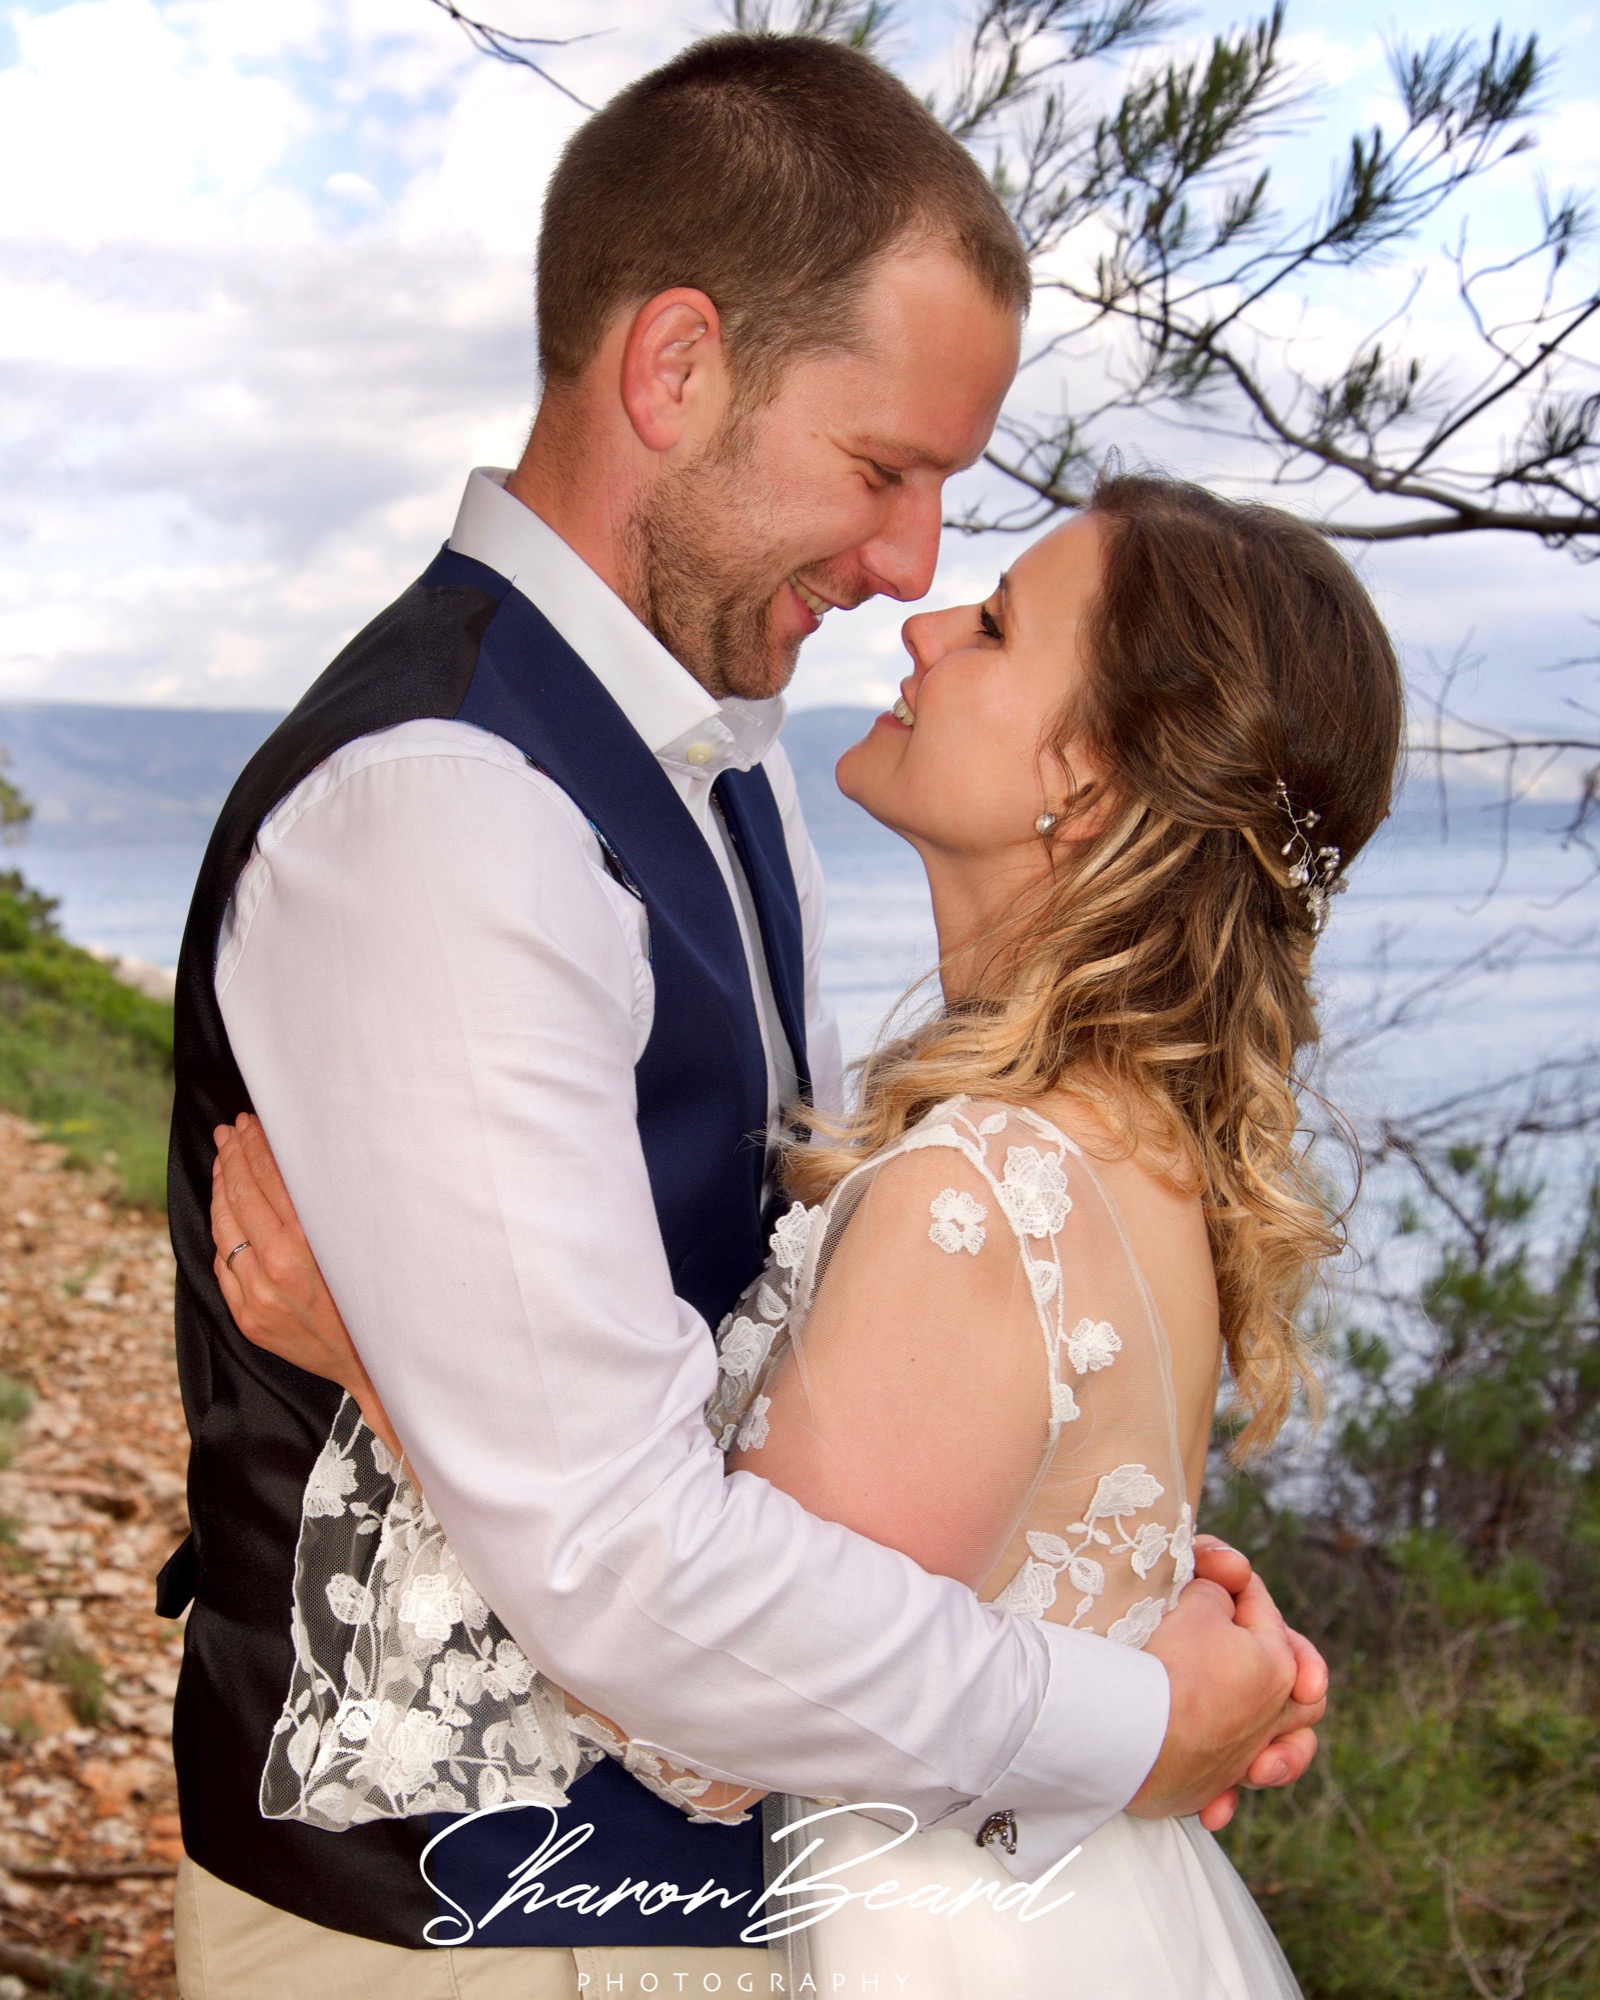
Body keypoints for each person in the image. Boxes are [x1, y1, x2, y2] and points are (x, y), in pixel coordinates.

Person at [165, 32, 1325, 2000]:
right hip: (463, 1929)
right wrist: (1126, 1713)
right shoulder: (445, 807)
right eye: (885, 470)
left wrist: (1087, 1579)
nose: (910, 567)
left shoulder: (726, 774)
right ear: (676, 369)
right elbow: (626, 1568)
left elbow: (770, 1331)